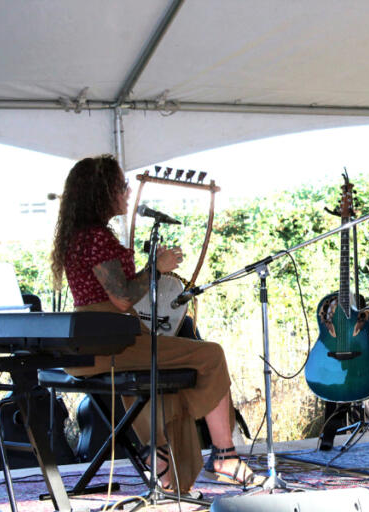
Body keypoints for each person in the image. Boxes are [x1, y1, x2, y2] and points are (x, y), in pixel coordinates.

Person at [51, 155, 261, 493]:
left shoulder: (80, 236)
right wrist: (157, 268)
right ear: (100, 191)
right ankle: (225, 456)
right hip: (109, 341)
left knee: (164, 384)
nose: (127, 190)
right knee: (210, 355)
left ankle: (164, 470)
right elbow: (121, 299)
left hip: (95, 342)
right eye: (121, 185)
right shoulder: (96, 238)